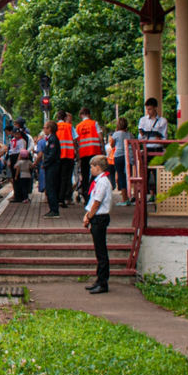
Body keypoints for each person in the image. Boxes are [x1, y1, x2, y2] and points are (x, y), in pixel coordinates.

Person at [83, 155, 113, 294]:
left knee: (101, 251)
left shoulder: (102, 182)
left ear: (98, 167)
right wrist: (87, 214)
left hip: (99, 217)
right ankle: (99, 279)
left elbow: (97, 202)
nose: (91, 169)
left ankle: (103, 281)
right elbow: (93, 201)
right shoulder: (99, 181)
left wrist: (89, 217)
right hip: (96, 216)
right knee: (98, 250)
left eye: (92, 167)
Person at [138, 97, 169, 199]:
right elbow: (140, 138)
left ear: (155, 108)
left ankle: (158, 196)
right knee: (145, 173)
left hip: (157, 149)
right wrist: (143, 134)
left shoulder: (163, 121)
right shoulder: (142, 120)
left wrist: (159, 138)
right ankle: (144, 196)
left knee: (158, 174)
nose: (148, 111)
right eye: (147, 109)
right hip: (147, 149)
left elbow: (165, 138)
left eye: (150, 109)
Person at [76, 107, 104, 203]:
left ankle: (84, 192)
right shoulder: (94, 123)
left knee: (84, 174)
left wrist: (77, 153)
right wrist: (103, 149)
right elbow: (100, 136)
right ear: (89, 115)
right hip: (94, 152)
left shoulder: (78, 126)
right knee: (95, 174)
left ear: (81, 115)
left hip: (83, 153)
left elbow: (76, 140)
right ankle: (90, 190)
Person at [55, 110, 76, 208]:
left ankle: (55, 198)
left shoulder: (54, 126)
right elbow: (75, 139)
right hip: (67, 154)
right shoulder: (70, 127)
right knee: (65, 178)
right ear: (64, 118)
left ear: (57, 118)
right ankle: (61, 199)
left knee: (56, 177)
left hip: (56, 155)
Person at [41, 121, 62, 218]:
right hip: (52, 166)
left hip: (52, 167)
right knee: (51, 187)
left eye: (45, 127)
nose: (43, 129)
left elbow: (52, 154)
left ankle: (54, 210)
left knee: (51, 188)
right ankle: (53, 209)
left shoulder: (53, 139)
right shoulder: (52, 138)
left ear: (50, 129)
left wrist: (45, 164)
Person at [111, 117, 132, 205]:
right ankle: (129, 196)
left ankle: (124, 199)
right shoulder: (130, 134)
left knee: (121, 176)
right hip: (128, 157)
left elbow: (112, 145)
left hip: (119, 156)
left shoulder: (116, 134)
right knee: (128, 177)